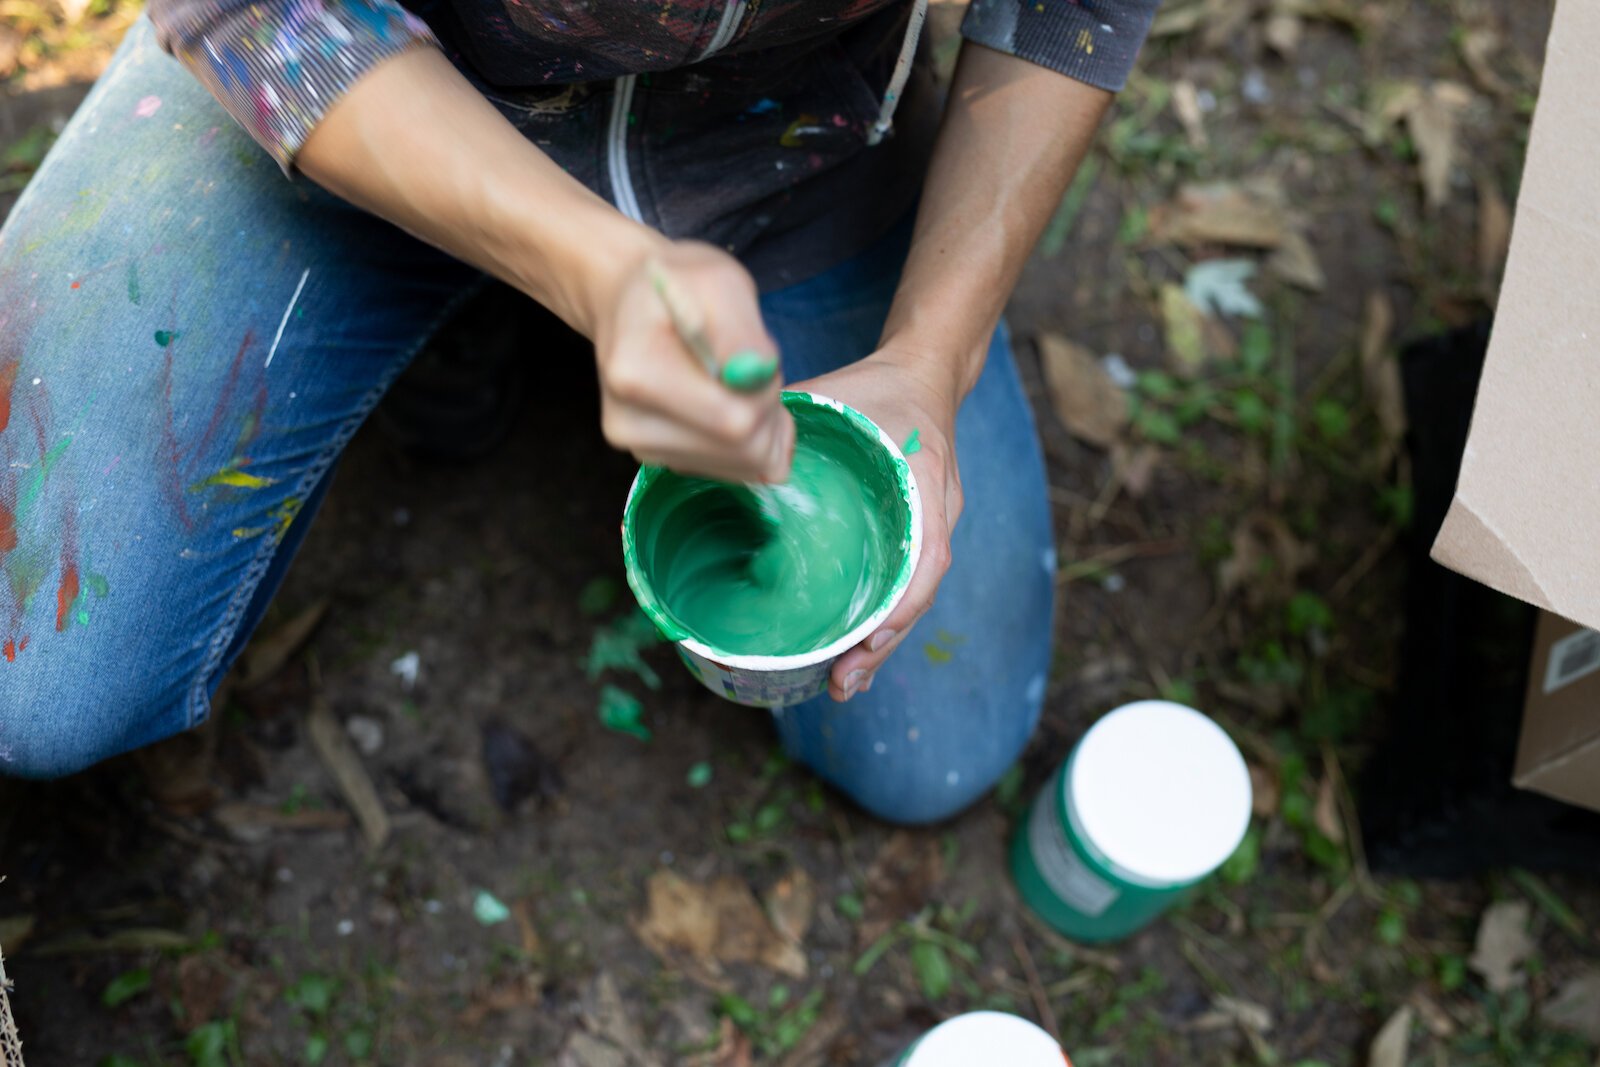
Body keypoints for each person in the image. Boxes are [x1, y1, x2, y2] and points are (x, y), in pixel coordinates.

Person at [0, 0, 1157, 822]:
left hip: (788, 132)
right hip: (366, 80)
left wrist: (930, 355)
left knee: (936, 750)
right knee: (34, 674)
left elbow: (1074, 9)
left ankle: (532, 321)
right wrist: (586, 269)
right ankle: (474, 303)